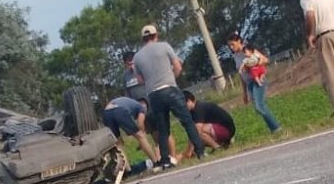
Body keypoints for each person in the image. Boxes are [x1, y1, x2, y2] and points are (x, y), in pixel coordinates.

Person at [131, 23, 205, 168]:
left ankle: (165, 160)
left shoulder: (137, 57)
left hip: (153, 94)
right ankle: (200, 151)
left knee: (163, 128)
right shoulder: (164, 46)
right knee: (187, 121)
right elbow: (178, 67)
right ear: (155, 35)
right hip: (169, 88)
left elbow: (140, 80)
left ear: (143, 39)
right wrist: (172, 78)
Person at [225, 32, 281, 133]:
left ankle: (276, 128)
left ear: (238, 41)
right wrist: (244, 92)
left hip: (257, 79)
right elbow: (241, 75)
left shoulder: (247, 50)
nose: (231, 47)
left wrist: (252, 65)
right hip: (249, 83)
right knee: (259, 107)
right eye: (229, 45)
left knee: (259, 106)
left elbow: (265, 60)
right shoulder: (236, 56)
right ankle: (274, 128)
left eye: (232, 44)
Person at [101, 95, 159, 166]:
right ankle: (155, 162)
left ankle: (126, 170)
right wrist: (142, 140)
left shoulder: (130, 102)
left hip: (106, 113)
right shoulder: (141, 107)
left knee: (118, 143)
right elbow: (140, 124)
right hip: (119, 110)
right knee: (140, 136)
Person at [179, 90, 236, 160]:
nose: (183, 108)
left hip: (226, 130)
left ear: (189, 101)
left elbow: (196, 132)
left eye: (184, 105)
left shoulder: (199, 108)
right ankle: (224, 144)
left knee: (197, 132)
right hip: (224, 129)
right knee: (196, 135)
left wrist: (188, 152)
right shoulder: (196, 109)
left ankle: (217, 147)